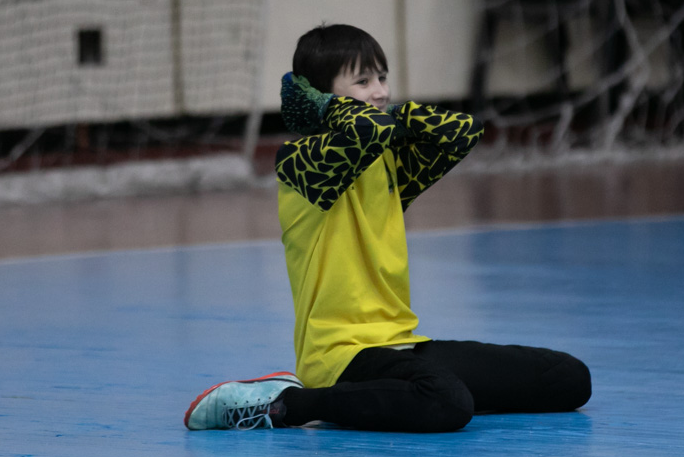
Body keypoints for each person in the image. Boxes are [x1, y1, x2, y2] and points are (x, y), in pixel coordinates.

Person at [184, 23, 591, 432]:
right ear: (320, 95)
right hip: (339, 355)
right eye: (363, 81)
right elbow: (369, 129)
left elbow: (462, 132)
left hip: (400, 343)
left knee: (567, 378)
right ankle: (285, 404)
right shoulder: (300, 161)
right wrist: (325, 108)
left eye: (382, 77)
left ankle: (402, 396)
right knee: (447, 402)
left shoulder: (386, 161)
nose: (380, 91)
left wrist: (384, 112)